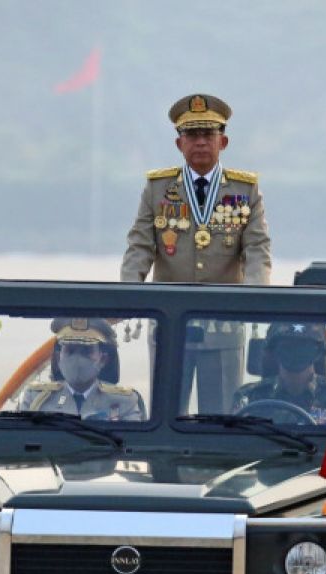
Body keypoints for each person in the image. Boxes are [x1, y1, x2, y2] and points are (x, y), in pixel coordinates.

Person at [120, 93, 271, 412]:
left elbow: (257, 248)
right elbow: (140, 245)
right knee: (166, 413)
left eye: (208, 135)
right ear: (179, 144)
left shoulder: (245, 190)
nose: (200, 142)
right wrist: (129, 292)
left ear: (223, 142)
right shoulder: (158, 188)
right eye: (191, 135)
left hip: (223, 324)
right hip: (169, 323)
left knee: (219, 418)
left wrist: (255, 295)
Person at [18, 318, 145, 421]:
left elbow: (133, 446)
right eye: (70, 350)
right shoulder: (36, 398)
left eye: (86, 351)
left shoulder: (125, 401)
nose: (77, 358)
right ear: (58, 357)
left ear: (103, 359)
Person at [232, 322, 326, 424]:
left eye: (303, 346)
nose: (295, 352)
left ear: (319, 352)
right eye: (288, 346)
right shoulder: (248, 398)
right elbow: (235, 444)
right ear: (274, 350)